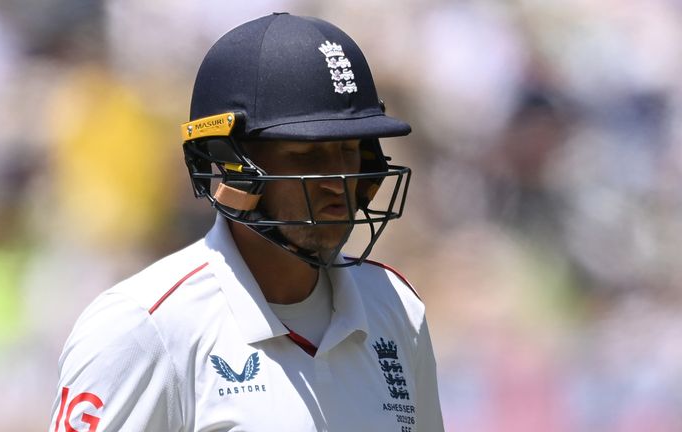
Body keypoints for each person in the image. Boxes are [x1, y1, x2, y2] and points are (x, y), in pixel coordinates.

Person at [49, 13, 444, 432]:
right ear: (232, 162)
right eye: (307, 155)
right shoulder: (144, 328)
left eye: (348, 152)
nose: (339, 183)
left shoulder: (396, 309)